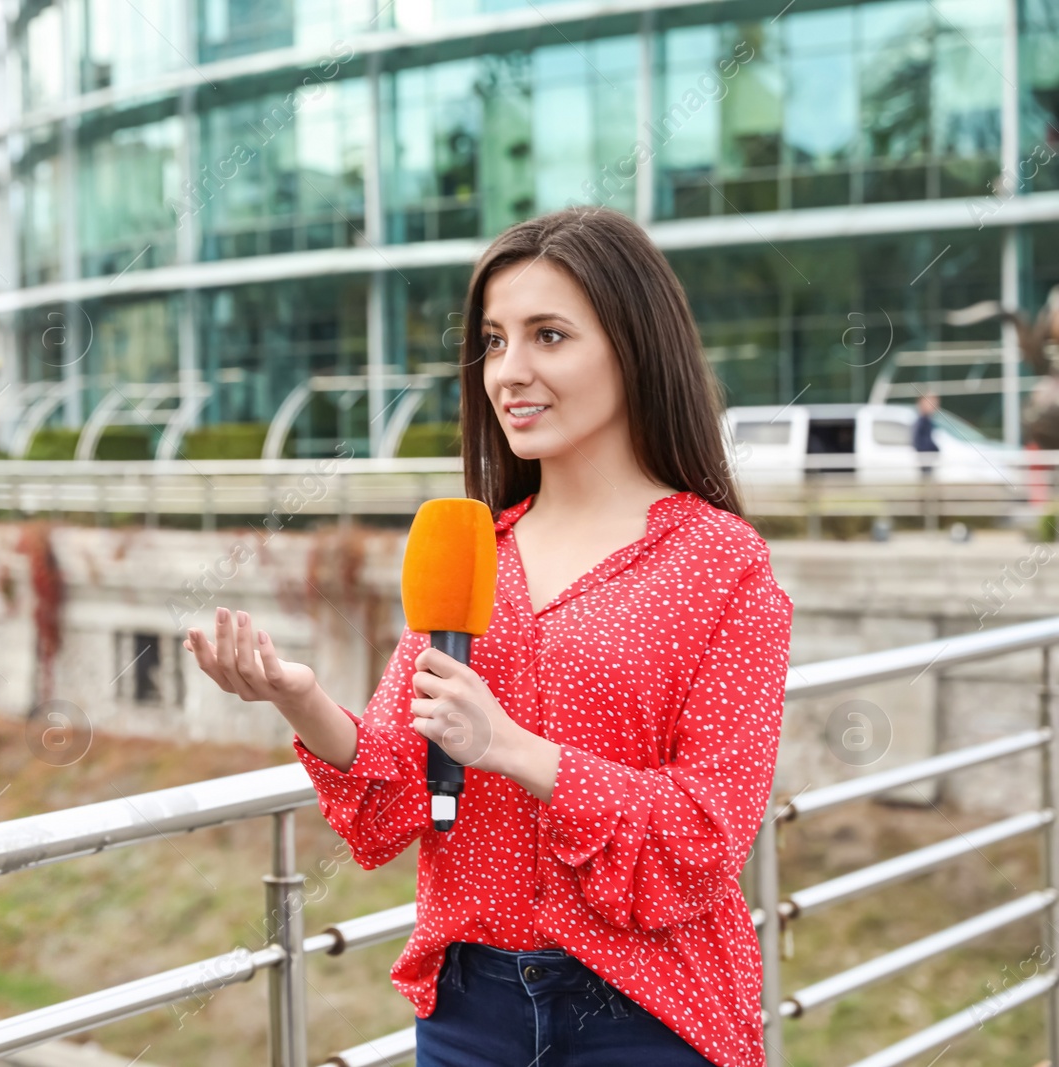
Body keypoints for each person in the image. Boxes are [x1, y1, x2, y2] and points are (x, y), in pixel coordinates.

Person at [182, 207, 792, 1067]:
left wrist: (513, 748)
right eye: (495, 341)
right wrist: (301, 697)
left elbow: (707, 832)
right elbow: (397, 800)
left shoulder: (720, 563)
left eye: (548, 335)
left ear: (634, 345)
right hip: (470, 1015)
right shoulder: (471, 551)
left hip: (650, 1012)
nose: (511, 371)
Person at [913, 392, 940, 478]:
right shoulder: (922, 422)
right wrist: (935, 449)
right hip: (924, 460)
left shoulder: (928, 421)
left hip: (927, 460)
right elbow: (918, 442)